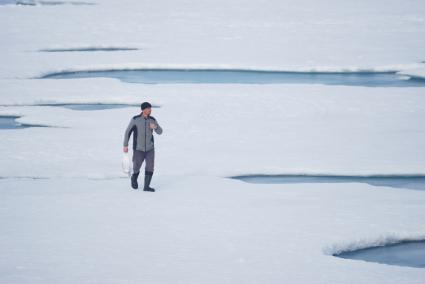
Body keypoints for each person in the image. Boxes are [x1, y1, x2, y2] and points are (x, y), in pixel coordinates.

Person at [123, 102, 163, 191]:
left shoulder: (152, 120)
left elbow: (160, 131)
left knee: (150, 166)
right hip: (138, 149)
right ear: (143, 109)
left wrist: (155, 127)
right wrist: (125, 145)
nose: (150, 110)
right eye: (148, 108)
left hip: (150, 149)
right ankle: (134, 178)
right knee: (136, 167)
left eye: (150, 108)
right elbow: (127, 132)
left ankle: (146, 186)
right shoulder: (135, 120)